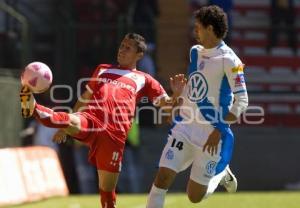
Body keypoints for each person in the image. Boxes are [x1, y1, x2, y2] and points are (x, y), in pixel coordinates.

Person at [19, 33, 186, 208]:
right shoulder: (103, 69)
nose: (122, 50)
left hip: (114, 134)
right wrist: (64, 129)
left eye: (128, 48)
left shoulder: (145, 79)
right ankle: (32, 106)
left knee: (107, 193)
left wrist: (176, 94)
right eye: (122, 46)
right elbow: (85, 97)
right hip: (91, 119)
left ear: (139, 55)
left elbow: (168, 107)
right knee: (63, 119)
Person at [146, 6, 248, 207]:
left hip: (211, 132)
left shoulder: (230, 60)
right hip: (185, 127)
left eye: (198, 28)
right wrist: (176, 101)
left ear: (210, 29)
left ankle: (219, 175)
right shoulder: (195, 52)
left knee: (194, 197)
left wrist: (219, 130)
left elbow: (242, 101)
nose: (195, 32)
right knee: (162, 177)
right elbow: (195, 89)